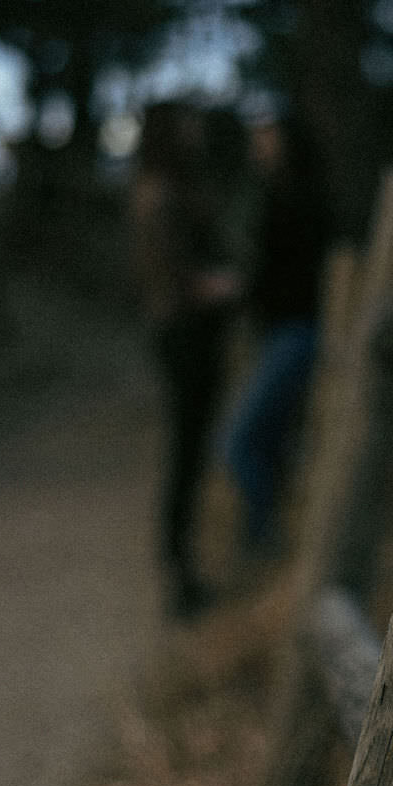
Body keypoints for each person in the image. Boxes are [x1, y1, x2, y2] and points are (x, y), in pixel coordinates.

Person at [128, 99, 240, 617]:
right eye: (185, 124)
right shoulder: (162, 195)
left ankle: (182, 568)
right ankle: (180, 576)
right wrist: (232, 287)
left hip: (182, 332)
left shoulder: (166, 190)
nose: (195, 131)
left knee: (189, 451)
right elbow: (180, 277)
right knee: (186, 452)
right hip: (184, 335)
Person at [221, 105, 333, 557]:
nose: (258, 144)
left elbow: (289, 274)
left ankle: (262, 537)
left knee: (238, 442)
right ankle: (267, 535)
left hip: (296, 333)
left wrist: (242, 289)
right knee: (270, 439)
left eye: (268, 136)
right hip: (283, 332)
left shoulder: (297, 199)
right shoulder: (271, 194)